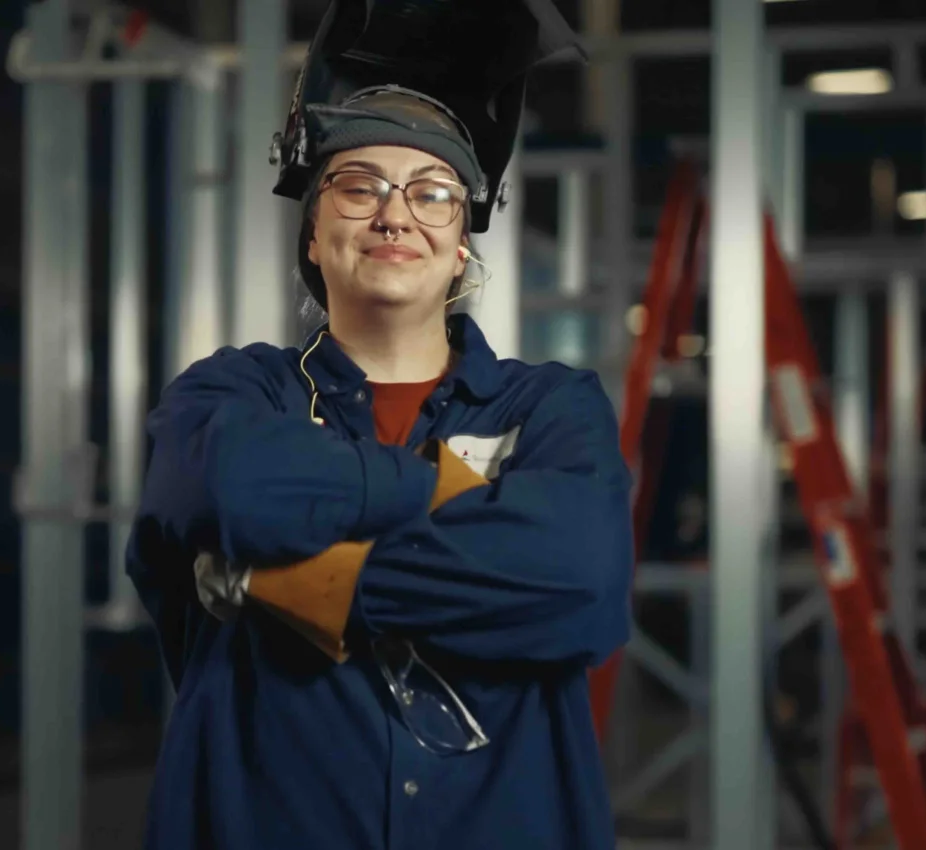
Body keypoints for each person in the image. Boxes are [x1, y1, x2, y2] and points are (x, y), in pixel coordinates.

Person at [125, 3, 629, 848]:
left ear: (463, 242)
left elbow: (580, 584)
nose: (396, 216)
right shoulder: (232, 396)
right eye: (358, 187)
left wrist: (282, 580)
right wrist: (444, 490)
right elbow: (240, 486)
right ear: (314, 236)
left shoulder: (550, 409)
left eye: (433, 193)